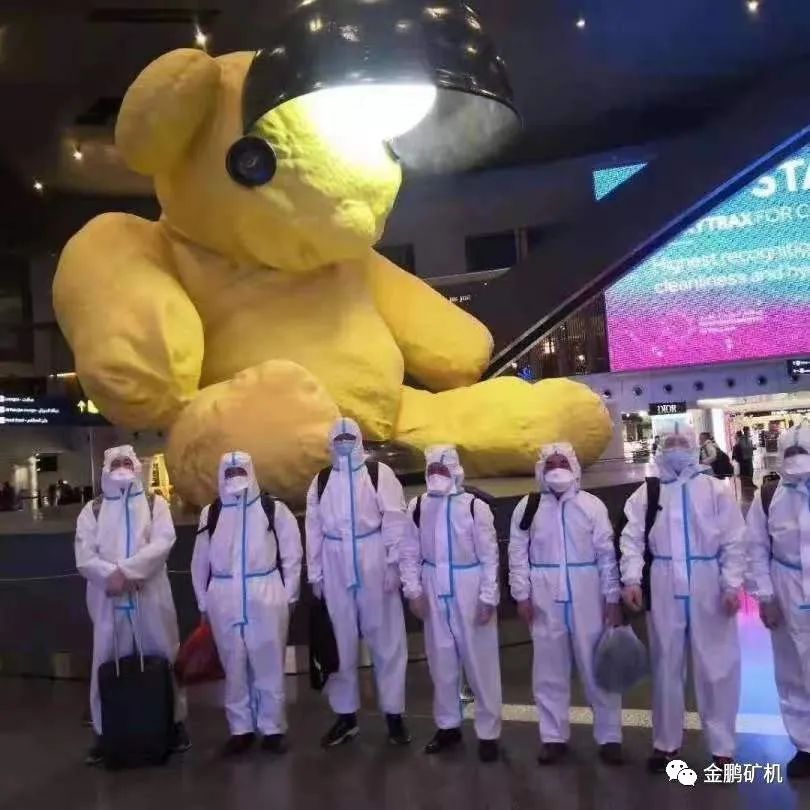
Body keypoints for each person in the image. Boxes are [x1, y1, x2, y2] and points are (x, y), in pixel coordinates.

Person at [620, 424, 746, 772]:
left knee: (717, 665)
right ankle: (666, 744)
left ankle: (722, 748)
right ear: (660, 447)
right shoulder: (646, 493)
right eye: (670, 443)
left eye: (682, 442)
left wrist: (731, 584)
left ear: (694, 447)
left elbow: (734, 540)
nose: (676, 448)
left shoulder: (715, 490)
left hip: (709, 582)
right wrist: (631, 579)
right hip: (663, 581)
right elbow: (631, 539)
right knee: (665, 664)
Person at [509, 443, 623, 766]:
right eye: (550, 463)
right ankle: (553, 737)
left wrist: (612, 597)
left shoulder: (591, 505)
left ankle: (610, 736)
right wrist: (521, 595)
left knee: (597, 664)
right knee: (548, 667)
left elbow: (606, 554)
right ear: (540, 469)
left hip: (588, 592)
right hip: (544, 596)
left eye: (563, 462)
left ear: (574, 467)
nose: (556, 468)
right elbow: (517, 553)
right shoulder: (528, 507)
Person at [74, 445, 189, 765]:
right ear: (106, 469)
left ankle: (174, 724)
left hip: (150, 594)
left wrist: (129, 572)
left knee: (164, 653)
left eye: (128, 461)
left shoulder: (155, 504)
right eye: (116, 463)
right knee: (105, 658)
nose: (122, 467)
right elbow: (84, 556)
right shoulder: (92, 510)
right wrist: (112, 577)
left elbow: (163, 542)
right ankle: (105, 731)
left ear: (137, 466)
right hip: (108, 598)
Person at [305, 417, 410, 748]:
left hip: (373, 555)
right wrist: (315, 572)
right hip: (335, 561)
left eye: (349, 438)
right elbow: (313, 529)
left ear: (360, 439)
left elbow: (395, 518)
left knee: (387, 638)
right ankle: (346, 717)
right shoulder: (321, 481)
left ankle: (394, 715)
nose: (344, 444)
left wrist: (394, 563)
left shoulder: (378, 474)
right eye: (338, 439)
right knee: (339, 641)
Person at [191, 451, 302, 756]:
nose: (235, 477)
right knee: (233, 664)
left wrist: (289, 594)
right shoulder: (211, 513)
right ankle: (240, 728)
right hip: (224, 595)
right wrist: (203, 602)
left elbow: (292, 554)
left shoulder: (273, 509)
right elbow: (199, 562)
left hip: (264, 590)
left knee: (269, 662)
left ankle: (273, 728)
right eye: (229, 472)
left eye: (240, 471)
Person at [400, 446, 502, 763]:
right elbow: (409, 551)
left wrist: (488, 597)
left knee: (480, 661)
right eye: (432, 470)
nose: (436, 476)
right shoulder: (418, 506)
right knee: (441, 661)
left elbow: (489, 556)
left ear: (456, 471)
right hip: (433, 587)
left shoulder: (474, 507)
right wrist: (413, 591)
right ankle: (448, 726)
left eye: (442, 470)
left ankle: (488, 732)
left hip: (469, 586)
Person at [746, 423, 810, 778]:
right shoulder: (769, 496)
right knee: (791, 671)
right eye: (791, 453)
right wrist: (765, 596)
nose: (797, 460)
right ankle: (805, 745)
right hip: (785, 589)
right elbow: (755, 548)